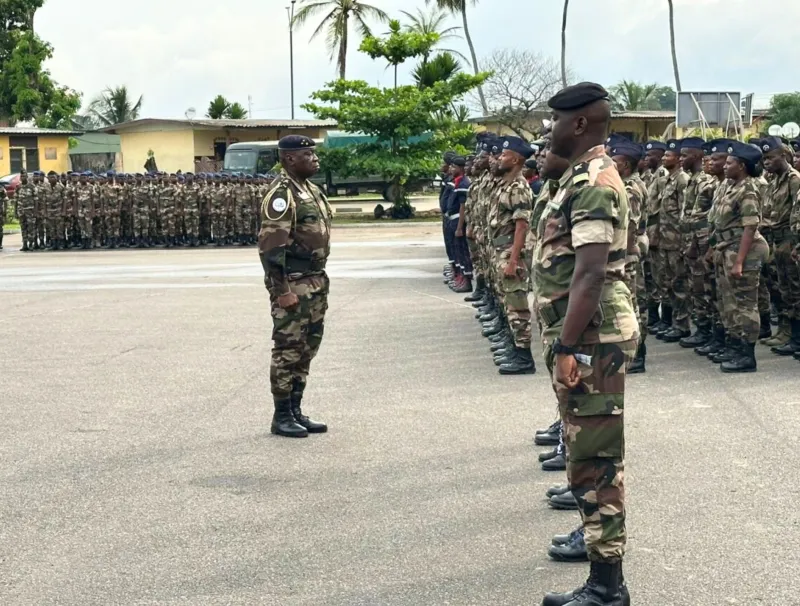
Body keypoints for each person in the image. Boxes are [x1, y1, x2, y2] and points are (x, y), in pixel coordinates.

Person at [535, 82, 637, 606]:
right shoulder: (578, 176)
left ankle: (606, 590)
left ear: (576, 123)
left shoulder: (595, 181)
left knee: (595, 461)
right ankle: (601, 571)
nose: (546, 129)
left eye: (552, 120)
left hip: (594, 337)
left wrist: (570, 347)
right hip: (586, 334)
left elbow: (590, 274)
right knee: (586, 455)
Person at [258, 135, 330, 439]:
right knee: (287, 349)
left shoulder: (310, 190)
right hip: (294, 284)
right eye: (307, 154)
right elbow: (271, 249)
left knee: (307, 348)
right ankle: (282, 414)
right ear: (289, 159)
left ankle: (297, 408)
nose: (315, 159)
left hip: (315, 281)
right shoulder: (281, 194)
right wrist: (282, 290)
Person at [710, 140, 769, 372]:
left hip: (745, 249)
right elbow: (717, 222)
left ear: (742, 166)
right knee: (729, 302)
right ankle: (734, 347)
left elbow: (750, 227)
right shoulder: (729, 186)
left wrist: (740, 261)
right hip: (727, 248)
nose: (725, 165)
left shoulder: (748, 189)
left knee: (745, 304)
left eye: (730, 162)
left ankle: (747, 355)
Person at [489, 135, 536, 375]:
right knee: (508, 303)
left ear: (516, 159)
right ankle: (513, 347)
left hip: (511, 252)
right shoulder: (506, 184)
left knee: (518, 307)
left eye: (505, 155)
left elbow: (521, 226)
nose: (499, 158)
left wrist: (514, 260)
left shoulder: (519, 187)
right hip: (501, 250)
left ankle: (524, 357)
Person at [610, 140, 649, 373]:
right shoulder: (625, 184)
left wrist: (619, 259)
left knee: (631, 304)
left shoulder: (630, 189)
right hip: (625, 254)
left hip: (626, 256)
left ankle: (637, 356)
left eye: (613, 162)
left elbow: (630, 227)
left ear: (624, 164)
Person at [759, 136, 800, 356]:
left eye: (770, 158)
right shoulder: (773, 180)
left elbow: (796, 212)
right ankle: (785, 332)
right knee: (782, 289)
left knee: (794, 290)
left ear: (783, 156)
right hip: (775, 241)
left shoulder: (794, 179)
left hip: (788, 241)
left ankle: (796, 337)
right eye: (764, 158)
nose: (766, 162)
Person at [678, 137, 717, 348]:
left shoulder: (705, 181)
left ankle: (708, 331)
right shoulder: (693, 179)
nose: (681, 159)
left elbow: (706, 218)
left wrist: (695, 243)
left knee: (705, 288)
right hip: (691, 242)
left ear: (697, 156)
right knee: (696, 287)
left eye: (685, 155)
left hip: (702, 244)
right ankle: (702, 329)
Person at [655, 139, 690, 342]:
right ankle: (670, 322)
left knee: (679, 285)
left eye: (668, 155)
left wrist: (684, 242)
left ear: (677, 159)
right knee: (667, 283)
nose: (664, 158)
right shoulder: (668, 179)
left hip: (677, 241)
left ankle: (682, 324)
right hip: (665, 241)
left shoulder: (682, 180)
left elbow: (684, 214)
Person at [642, 141, 668, 331]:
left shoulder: (662, 176)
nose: (647, 158)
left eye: (650, 155)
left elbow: (663, 209)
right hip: (650, 232)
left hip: (660, 232)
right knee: (651, 276)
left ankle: (665, 319)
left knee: (663, 277)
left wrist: (657, 233)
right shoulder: (650, 176)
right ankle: (654, 316)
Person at [447, 156, 472, 293]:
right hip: (453, 219)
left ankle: (466, 280)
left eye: (454, 167)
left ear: (461, 168)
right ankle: (461, 277)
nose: (451, 169)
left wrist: (459, 227)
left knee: (463, 252)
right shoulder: (457, 182)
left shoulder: (463, 183)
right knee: (457, 251)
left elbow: (463, 206)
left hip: (459, 221)